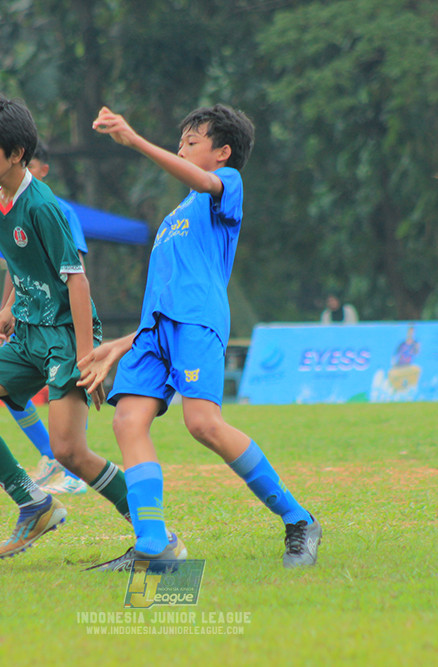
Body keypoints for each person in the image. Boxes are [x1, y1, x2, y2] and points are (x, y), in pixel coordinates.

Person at [80, 104, 322, 570]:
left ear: (222, 152)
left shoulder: (226, 185)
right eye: (180, 143)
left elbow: (203, 190)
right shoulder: (177, 215)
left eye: (191, 142)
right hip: (154, 332)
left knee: (203, 424)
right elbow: (168, 297)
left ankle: (299, 519)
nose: (181, 149)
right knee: (127, 422)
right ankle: (155, 546)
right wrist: (121, 343)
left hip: (198, 324)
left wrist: (136, 141)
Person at [0, 94, 130, 560]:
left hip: (63, 338)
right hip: (26, 335)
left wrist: (87, 357)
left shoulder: (43, 207)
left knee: (69, 452)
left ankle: (151, 524)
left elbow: (76, 281)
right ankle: (34, 502)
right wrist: (7, 307)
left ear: (16, 154)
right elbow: (17, 262)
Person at [0, 140, 90, 497]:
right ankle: (50, 456)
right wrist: (7, 309)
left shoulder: (56, 209)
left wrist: (80, 338)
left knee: (63, 395)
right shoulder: (6, 207)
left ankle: (72, 468)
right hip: (26, 318)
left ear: (40, 170)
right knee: (9, 391)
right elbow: (16, 266)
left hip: (58, 322)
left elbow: (75, 271)